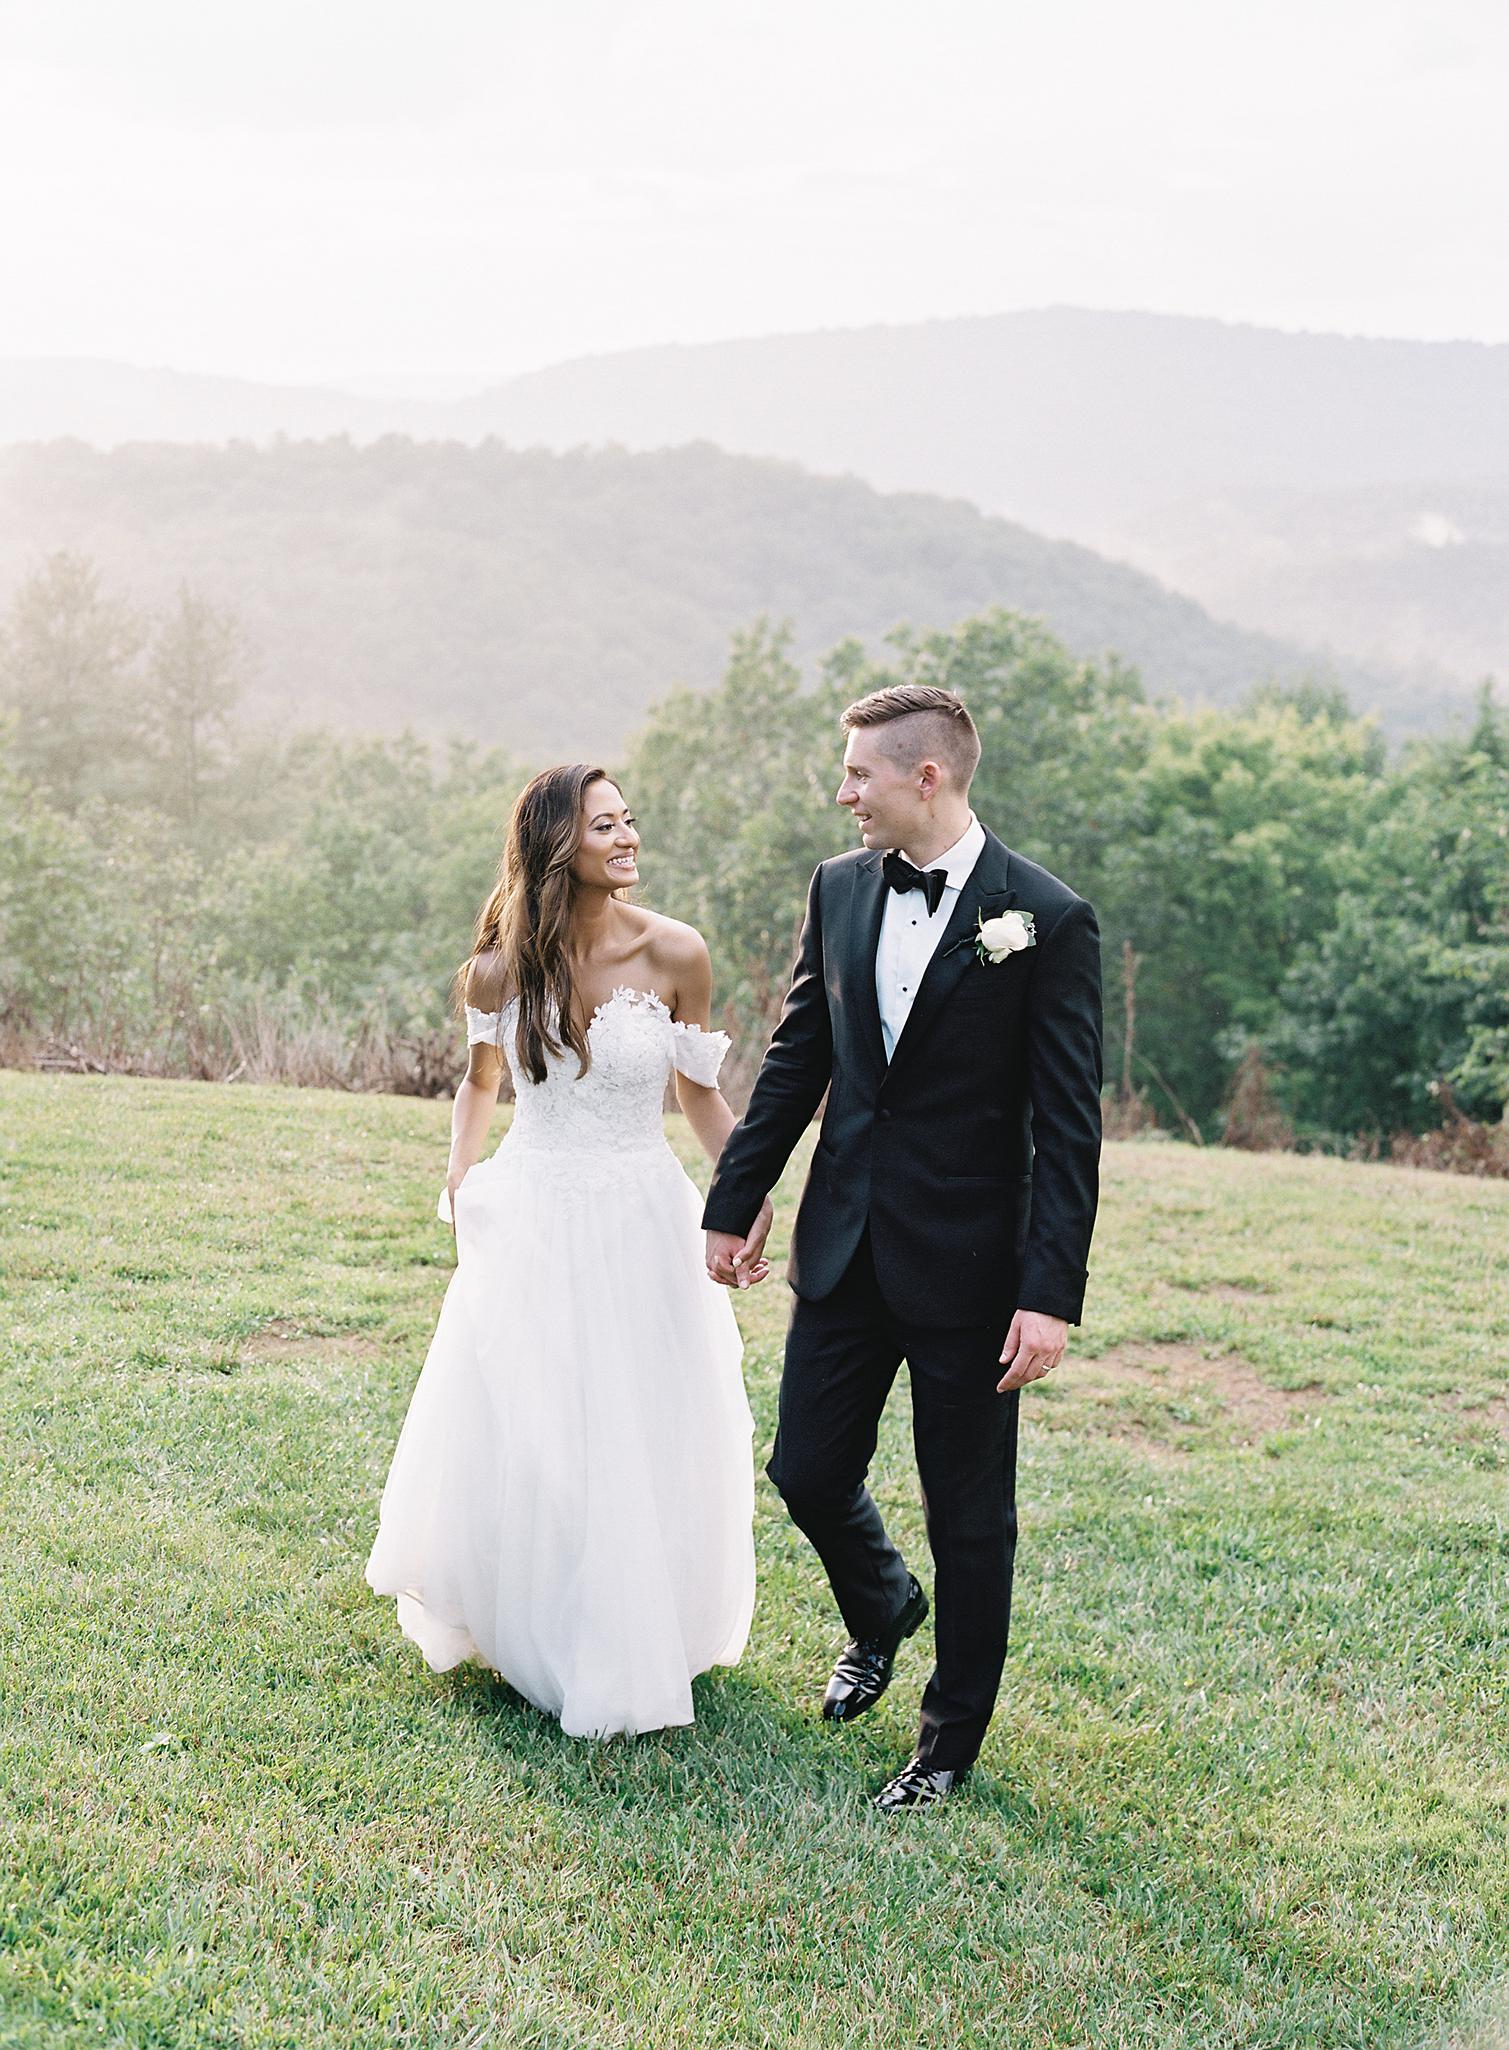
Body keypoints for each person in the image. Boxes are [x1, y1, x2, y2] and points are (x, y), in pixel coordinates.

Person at [703, 685, 1102, 1809]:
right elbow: (796, 1061)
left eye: (859, 775)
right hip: (844, 1244)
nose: (844, 794)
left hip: (975, 1272)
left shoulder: (1047, 918)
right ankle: (881, 1609)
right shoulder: (837, 889)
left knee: (969, 1512)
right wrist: (731, 1203)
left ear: (926, 777)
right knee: (806, 1468)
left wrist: (1049, 1293)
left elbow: (1069, 1128)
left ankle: (945, 1745)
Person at [366, 763, 767, 1738]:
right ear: (557, 845)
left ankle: (635, 1623)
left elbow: (699, 1094)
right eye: (604, 825)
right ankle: (542, 1622)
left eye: (630, 818)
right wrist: (460, 1177)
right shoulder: (500, 969)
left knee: (643, 1419)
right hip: (536, 1211)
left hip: (640, 1215)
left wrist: (743, 1197)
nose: (627, 837)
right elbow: (479, 1082)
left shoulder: (677, 952)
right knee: (541, 1429)